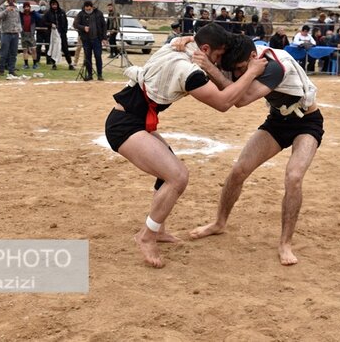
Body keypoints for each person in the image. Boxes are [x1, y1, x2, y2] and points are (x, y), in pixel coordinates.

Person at [104, 23, 267, 268]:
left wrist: (191, 38)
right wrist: (252, 73)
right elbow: (224, 103)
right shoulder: (188, 71)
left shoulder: (181, 45)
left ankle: (157, 230)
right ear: (205, 48)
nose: (219, 62)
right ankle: (146, 236)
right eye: (219, 56)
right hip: (124, 125)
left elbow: (190, 39)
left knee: (167, 170)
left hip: (136, 120)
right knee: (177, 177)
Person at [189, 34, 324, 266]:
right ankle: (219, 223)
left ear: (253, 57)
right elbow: (215, 37)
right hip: (277, 122)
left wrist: (211, 67)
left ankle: (285, 243)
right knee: (239, 170)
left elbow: (240, 100)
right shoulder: (240, 56)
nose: (239, 74)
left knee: (294, 177)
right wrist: (186, 39)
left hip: (307, 122)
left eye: (242, 69)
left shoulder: (273, 65)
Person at [73, 1, 107, 81]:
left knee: (98, 56)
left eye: (89, 9)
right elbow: (75, 24)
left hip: (97, 39)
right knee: (88, 57)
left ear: (92, 7)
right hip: (86, 39)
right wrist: (83, 27)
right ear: (84, 7)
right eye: (86, 9)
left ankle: (100, 74)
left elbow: (104, 25)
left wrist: (104, 38)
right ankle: (89, 74)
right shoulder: (81, 14)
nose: (88, 10)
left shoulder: (99, 13)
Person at [43, 0, 74, 70]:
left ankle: (70, 64)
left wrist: (64, 31)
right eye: (53, 5)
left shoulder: (62, 12)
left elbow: (65, 22)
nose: (54, 6)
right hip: (53, 34)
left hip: (62, 33)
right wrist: (50, 24)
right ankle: (54, 64)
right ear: (51, 5)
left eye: (55, 4)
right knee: (54, 49)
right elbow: (44, 22)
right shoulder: (48, 13)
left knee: (65, 49)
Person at [0, 0, 21, 76]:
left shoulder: (16, 7)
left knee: (13, 53)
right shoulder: (2, 7)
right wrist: (6, 10)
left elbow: (18, 19)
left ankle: (11, 70)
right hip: (6, 33)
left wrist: (19, 29)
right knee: (4, 53)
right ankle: (1, 70)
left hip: (15, 33)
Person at [19, 2, 41, 69]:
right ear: (23, 8)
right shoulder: (21, 15)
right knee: (25, 50)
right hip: (23, 34)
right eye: (25, 7)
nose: (26, 8)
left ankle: (35, 63)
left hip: (31, 34)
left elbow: (39, 18)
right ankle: (26, 64)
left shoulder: (33, 15)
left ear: (30, 7)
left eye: (28, 7)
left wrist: (34, 12)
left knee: (34, 49)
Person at [35, 0, 50, 67]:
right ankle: (37, 60)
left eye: (44, 5)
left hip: (47, 32)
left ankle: (49, 60)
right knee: (38, 47)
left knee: (48, 47)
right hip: (39, 32)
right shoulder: (37, 13)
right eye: (41, 5)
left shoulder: (48, 13)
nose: (43, 6)